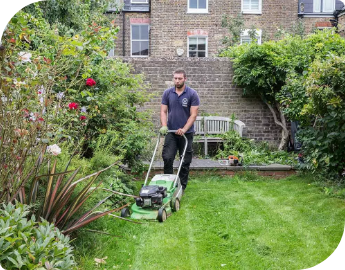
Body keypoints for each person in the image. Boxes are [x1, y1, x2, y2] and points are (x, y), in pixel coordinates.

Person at [159, 69, 200, 193]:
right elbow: (163, 111)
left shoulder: (192, 94)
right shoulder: (167, 93)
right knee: (167, 157)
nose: (177, 81)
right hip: (171, 132)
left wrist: (184, 129)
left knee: (185, 160)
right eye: (175, 78)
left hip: (186, 134)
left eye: (179, 78)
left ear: (185, 79)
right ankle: (168, 184)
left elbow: (193, 115)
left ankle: (182, 186)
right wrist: (164, 125)